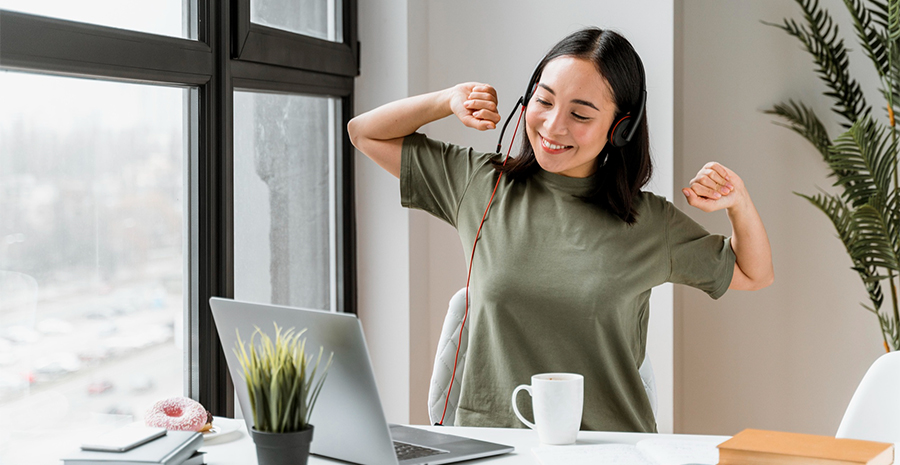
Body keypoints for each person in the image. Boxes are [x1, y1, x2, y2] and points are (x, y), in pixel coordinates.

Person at [347, 27, 773, 433]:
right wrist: (448, 99)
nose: (553, 126)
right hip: (498, 446)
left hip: (612, 450)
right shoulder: (480, 184)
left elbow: (755, 274)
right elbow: (364, 133)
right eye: (544, 101)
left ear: (620, 128)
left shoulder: (648, 222)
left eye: (580, 114)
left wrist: (739, 202)